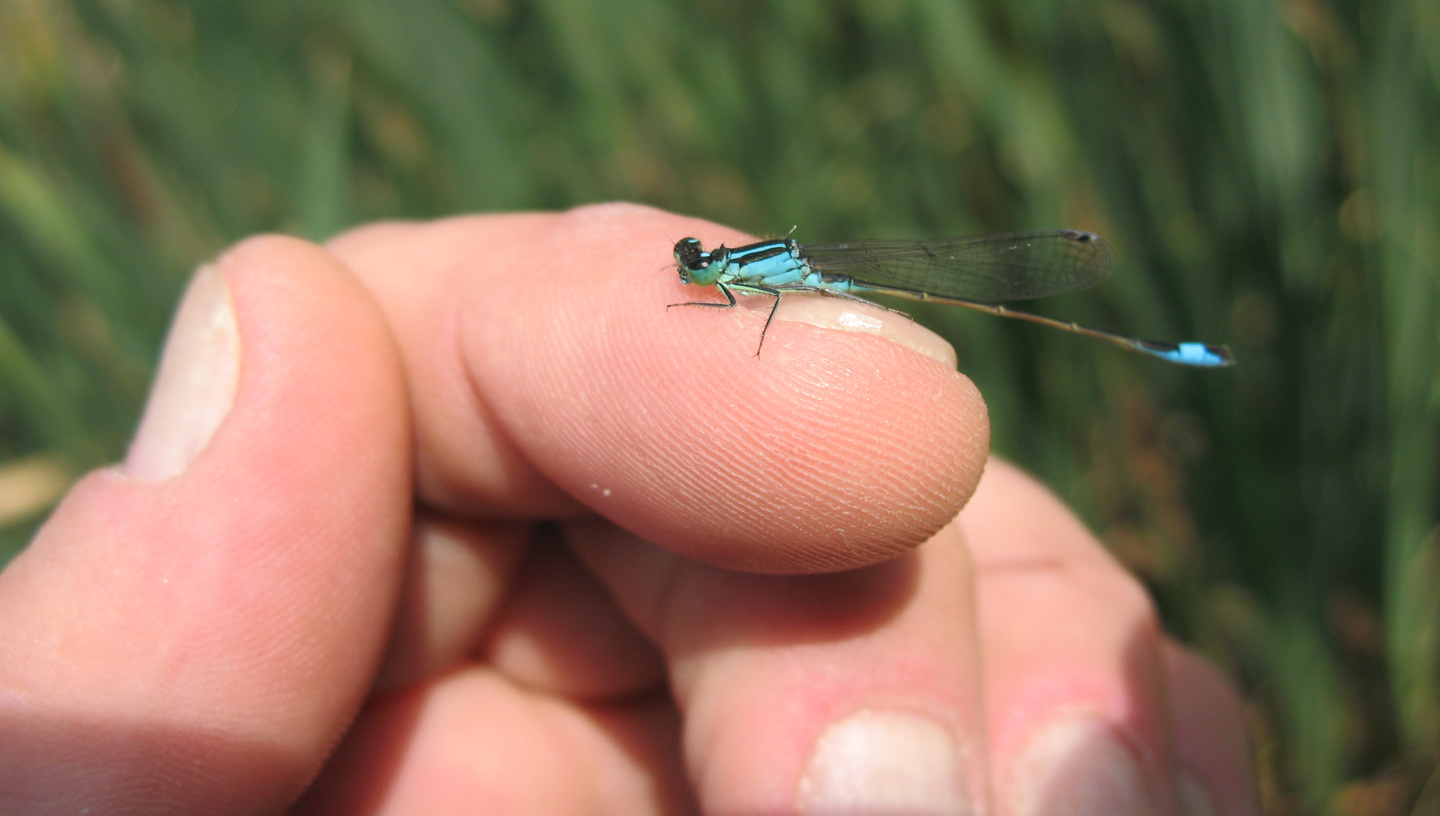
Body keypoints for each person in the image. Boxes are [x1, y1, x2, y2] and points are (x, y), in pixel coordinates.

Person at [0, 203, 1256, 815]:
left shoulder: (759, 285)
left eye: (706, 267)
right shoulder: (718, 285)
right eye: (703, 270)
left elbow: (771, 320)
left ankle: (1168, 351)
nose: (700, 276)